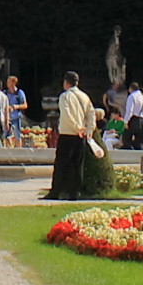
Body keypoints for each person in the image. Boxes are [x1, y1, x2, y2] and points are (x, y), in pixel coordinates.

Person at [47, 71, 96, 201]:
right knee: (77, 165)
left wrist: (76, 127)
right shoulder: (84, 96)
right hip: (80, 136)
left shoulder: (65, 96)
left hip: (67, 133)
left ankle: (56, 191)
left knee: (61, 164)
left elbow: (66, 114)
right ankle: (75, 192)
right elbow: (91, 113)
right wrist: (89, 129)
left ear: (66, 82)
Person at [121, 82, 143, 150]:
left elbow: (130, 110)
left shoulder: (132, 96)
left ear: (130, 88)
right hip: (142, 120)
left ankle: (129, 154)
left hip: (134, 119)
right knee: (139, 141)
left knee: (126, 138)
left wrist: (126, 121)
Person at [5, 75, 27, 147]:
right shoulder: (5, 93)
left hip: (16, 117)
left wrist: (16, 106)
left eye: (9, 82)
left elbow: (25, 105)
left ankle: (18, 152)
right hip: (7, 118)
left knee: (17, 136)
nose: (7, 83)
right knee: (7, 136)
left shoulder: (19, 93)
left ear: (13, 83)